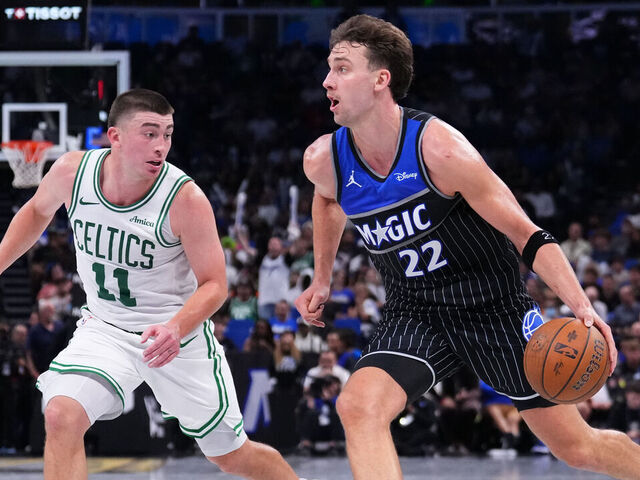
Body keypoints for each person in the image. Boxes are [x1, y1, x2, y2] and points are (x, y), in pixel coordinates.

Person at [294, 14, 640, 480]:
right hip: (415, 312)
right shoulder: (324, 160)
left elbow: (527, 233)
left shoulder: (441, 151)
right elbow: (327, 201)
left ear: (380, 79)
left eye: (341, 68)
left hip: (493, 309)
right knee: (358, 406)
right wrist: (322, 277)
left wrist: (582, 306)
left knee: (577, 448)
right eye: (329, 68)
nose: (326, 80)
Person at [0, 89, 299, 480]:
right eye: (150, 133)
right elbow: (36, 212)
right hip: (106, 329)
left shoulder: (185, 199)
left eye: (167, 134)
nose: (161, 145)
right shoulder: (73, 172)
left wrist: (175, 328)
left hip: (175, 335)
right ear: (115, 136)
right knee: (61, 415)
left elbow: (215, 284)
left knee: (230, 455)